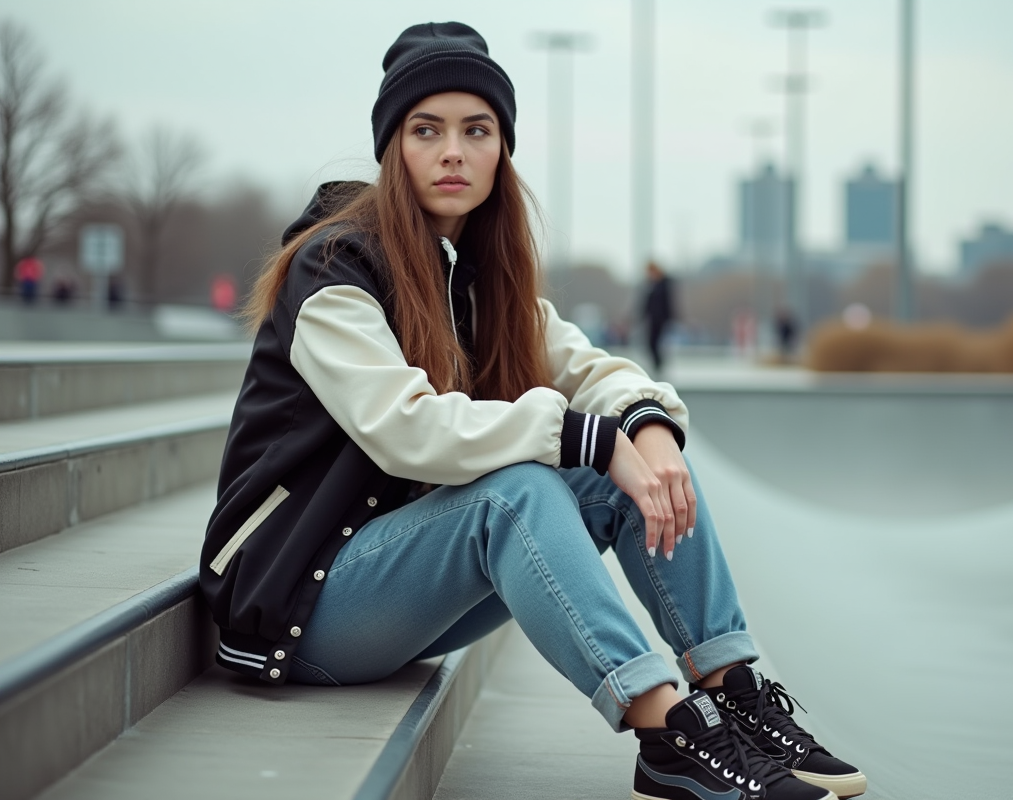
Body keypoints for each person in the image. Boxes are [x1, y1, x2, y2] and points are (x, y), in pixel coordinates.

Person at [200, 22, 865, 800]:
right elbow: (407, 431)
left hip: (391, 587)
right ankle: (667, 732)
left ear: (500, 151)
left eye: (476, 130)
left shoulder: (477, 281)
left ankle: (732, 691)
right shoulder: (332, 270)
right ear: (394, 148)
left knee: (625, 471)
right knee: (518, 492)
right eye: (427, 130)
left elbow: (594, 369)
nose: (453, 151)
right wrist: (580, 435)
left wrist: (646, 428)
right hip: (297, 598)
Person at [643, 260, 674, 373]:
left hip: (661, 320)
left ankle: (659, 366)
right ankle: (657, 366)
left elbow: (669, 303)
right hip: (653, 319)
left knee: (655, 343)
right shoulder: (651, 284)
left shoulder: (664, 284)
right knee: (650, 343)